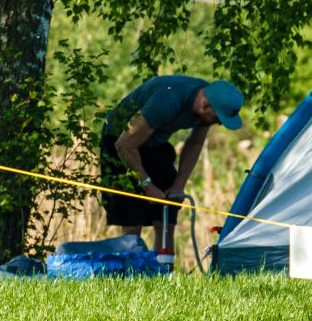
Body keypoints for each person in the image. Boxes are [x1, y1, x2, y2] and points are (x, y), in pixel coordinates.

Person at [98, 74, 245, 242]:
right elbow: (124, 145)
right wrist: (147, 185)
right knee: (132, 219)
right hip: (120, 142)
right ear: (205, 105)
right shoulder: (166, 100)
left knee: (167, 215)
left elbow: (195, 143)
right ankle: (132, 256)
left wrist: (179, 185)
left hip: (155, 143)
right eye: (218, 118)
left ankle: (164, 258)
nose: (218, 123)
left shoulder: (209, 100)